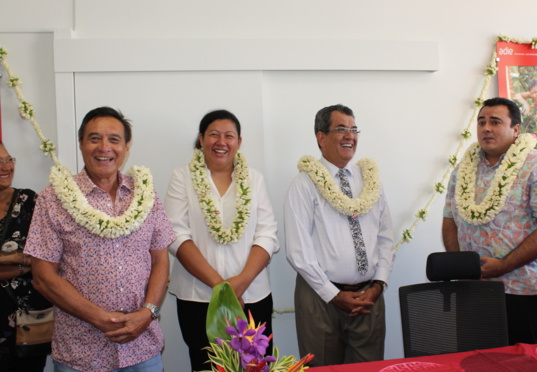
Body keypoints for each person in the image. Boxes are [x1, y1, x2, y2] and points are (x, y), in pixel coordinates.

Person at [24, 107, 176, 372]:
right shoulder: (53, 199)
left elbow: (160, 259)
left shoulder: (145, 195)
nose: (104, 147)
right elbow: (43, 278)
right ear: (81, 144)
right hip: (80, 353)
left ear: (127, 147)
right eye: (94, 138)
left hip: (142, 347)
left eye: (114, 140)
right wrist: (101, 319)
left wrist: (148, 312)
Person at [442, 97, 537, 345]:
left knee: (519, 363)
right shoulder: (463, 168)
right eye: (482, 122)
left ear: (516, 129)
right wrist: (462, 268)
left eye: (495, 122)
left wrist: (502, 266)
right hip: (471, 286)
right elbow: (449, 222)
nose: (486, 128)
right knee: (471, 359)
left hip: (520, 289)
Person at [164, 109, 279, 371]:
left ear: (239, 142)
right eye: (214, 135)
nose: (222, 142)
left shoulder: (255, 179)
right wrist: (223, 289)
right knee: (206, 366)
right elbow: (176, 235)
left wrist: (241, 282)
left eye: (229, 136)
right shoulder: (182, 177)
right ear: (201, 139)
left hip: (252, 296)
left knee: (254, 366)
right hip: (199, 299)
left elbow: (267, 234)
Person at [284, 104, 394, 366]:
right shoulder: (304, 184)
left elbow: (386, 237)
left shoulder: (370, 179)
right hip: (320, 299)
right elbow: (297, 251)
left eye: (354, 129)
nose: (350, 136)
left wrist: (379, 283)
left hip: (369, 298)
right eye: (341, 129)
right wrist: (332, 294)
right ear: (321, 137)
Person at [0, 143, 51, 372]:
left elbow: (46, 256)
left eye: (9, 159)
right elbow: (30, 258)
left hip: (27, 319)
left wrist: (12, 262)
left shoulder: (29, 201)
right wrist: (19, 259)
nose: (6, 167)